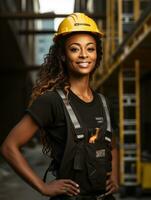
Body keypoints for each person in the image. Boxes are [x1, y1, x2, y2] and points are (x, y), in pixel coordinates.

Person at [1, 13, 119, 200]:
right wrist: (43, 187)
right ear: (63, 55)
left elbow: (111, 146)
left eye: (90, 49)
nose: (84, 55)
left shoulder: (103, 102)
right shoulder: (51, 102)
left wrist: (114, 177)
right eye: (74, 49)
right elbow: (9, 147)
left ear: (97, 54)